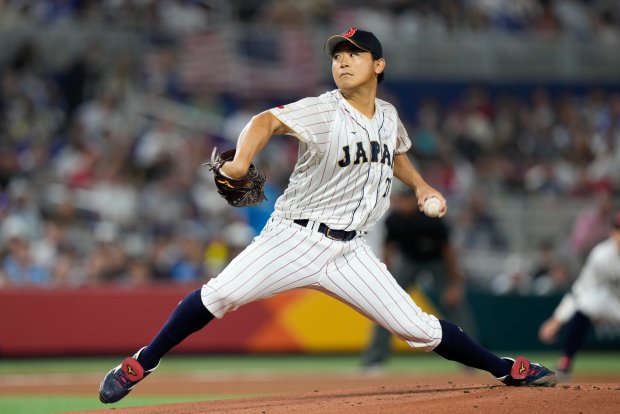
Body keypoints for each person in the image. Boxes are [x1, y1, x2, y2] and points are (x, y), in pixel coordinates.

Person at [99, 28, 556, 405]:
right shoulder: (323, 111)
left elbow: (394, 153)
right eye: (338, 54)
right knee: (220, 295)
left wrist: (420, 186)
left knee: (417, 326)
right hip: (294, 239)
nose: (342, 61)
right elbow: (264, 122)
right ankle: (141, 362)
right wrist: (239, 162)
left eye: (355, 54)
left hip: (351, 250)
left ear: (378, 65)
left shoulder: (389, 115)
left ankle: (503, 370)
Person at [361, 187, 478, 369]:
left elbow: (449, 253)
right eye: (399, 200)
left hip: (437, 261)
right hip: (410, 261)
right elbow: (388, 248)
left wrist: (454, 284)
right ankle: (375, 359)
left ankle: (472, 359)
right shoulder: (394, 219)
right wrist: (385, 276)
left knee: (456, 306)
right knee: (386, 304)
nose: (400, 204)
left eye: (404, 200)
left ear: (414, 202)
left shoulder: (432, 220)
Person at [538, 211, 620, 380]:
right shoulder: (601, 255)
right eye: (618, 230)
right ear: (612, 232)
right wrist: (557, 319)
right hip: (611, 300)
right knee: (586, 305)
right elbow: (581, 290)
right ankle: (566, 361)